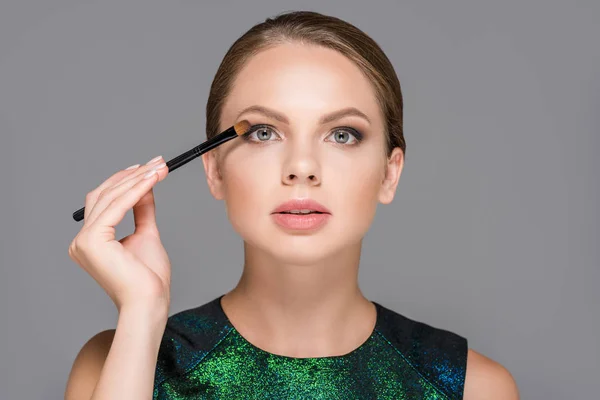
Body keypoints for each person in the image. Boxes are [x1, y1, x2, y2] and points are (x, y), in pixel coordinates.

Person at [64, 10, 519, 400]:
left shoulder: (471, 387)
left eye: (343, 134)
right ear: (214, 170)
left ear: (390, 171)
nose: (302, 167)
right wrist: (142, 312)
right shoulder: (115, 363)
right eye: (263, 132)